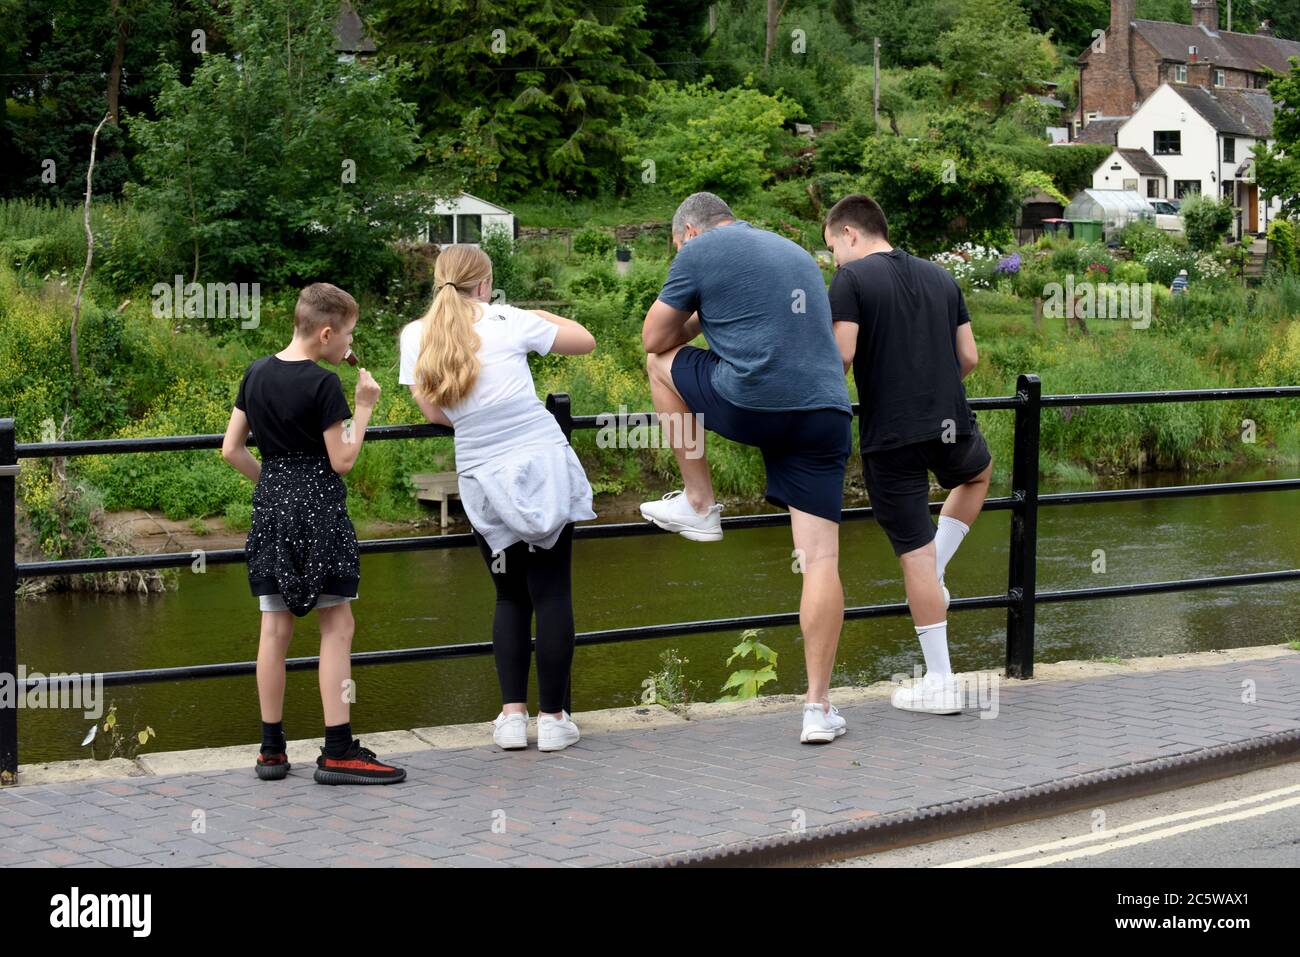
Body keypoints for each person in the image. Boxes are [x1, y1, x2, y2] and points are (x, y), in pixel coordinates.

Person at [640, 192, 854, 745]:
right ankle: (817, 708)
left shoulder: (699, 250)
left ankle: (698, 502)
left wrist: (695, 320)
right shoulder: (795, 251)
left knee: (657, 367)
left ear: (688, 230)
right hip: (826, 411)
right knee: (820, 559)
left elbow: (654, 336)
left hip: (753, 402)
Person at [399, 245, 597, 753]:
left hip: (480, 472)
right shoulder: (509, 319)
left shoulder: (416, 335)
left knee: (510, 595)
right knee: (552, 594)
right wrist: (538, 313)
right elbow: (585, 341)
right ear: (485, 284)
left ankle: (512, 717)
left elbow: (433, 411)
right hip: (539, 461)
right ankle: (553, 720)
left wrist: (475, 422)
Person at [222, 282, 406, 785]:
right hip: (319, 512)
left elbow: (232, 450)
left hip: (272, 510)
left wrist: (277, 487)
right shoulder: (325, 384)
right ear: (325, 332)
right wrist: (365, 404)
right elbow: (342, 460)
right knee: (336, 625)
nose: (349, 346)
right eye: (347, 335)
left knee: (274, 630)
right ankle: (339, 749)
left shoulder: (256, 372)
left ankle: (271, 751)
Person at [824, 194, 992, 715]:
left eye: (831, 247)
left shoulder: (851, 282)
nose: (832, 259)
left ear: (850, 234)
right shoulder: (941, 277)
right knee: (978, 475)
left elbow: (843, 357)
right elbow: (969, 357)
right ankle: (936, 568)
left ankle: (941, 682)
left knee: (915, 557)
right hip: (948, 421)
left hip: (891, 434)